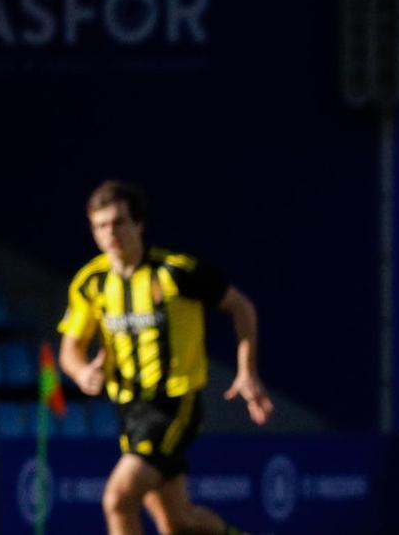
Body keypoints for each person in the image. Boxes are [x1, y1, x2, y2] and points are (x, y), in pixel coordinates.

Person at [59, 180, 273, 535]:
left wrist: (247, 371)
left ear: (138, 224)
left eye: (118, 223)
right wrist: (82, 374)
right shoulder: (91, 282)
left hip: (174, 403)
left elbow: (241, 308)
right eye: (100, 226)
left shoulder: (176, 271)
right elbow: (71, 348)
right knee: (177, 522)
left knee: (118, 498)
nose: (110, 233)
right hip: (129, 409)